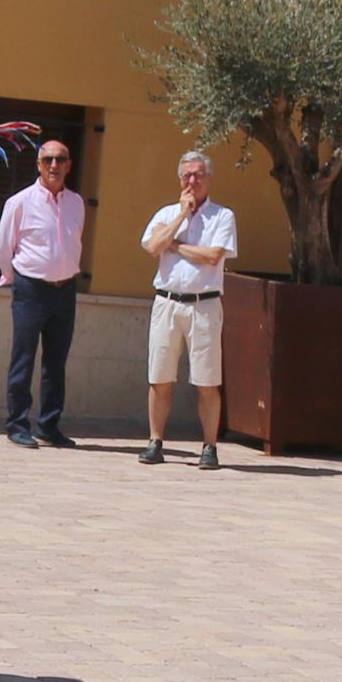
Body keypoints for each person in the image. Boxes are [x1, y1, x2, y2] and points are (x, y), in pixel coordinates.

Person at [140, 150, 239, 470]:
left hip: (204, 305)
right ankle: (155, 441)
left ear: (209, 178)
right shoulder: (166, 213)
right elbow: (153, 246)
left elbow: (213, 256)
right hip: (166, 303)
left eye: (198, 175)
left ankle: (209, 446)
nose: (192, 181)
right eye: (186, 176)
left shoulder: (223, 216)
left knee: (207, 380)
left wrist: (176, 246)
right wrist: (181, 217)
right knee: (160, 377)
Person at [0, 135, 87, 450]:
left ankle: (49, 425)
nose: (54, 166)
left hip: (65, 290)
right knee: (24, 357)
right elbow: (3, 246)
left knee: (56, 361)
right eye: (48, 160)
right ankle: (17, 424)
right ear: (38, 165)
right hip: (30, 288)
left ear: (69, 165)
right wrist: (13, 277)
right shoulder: (20, 202)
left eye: (60, 159)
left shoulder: (76, 203)